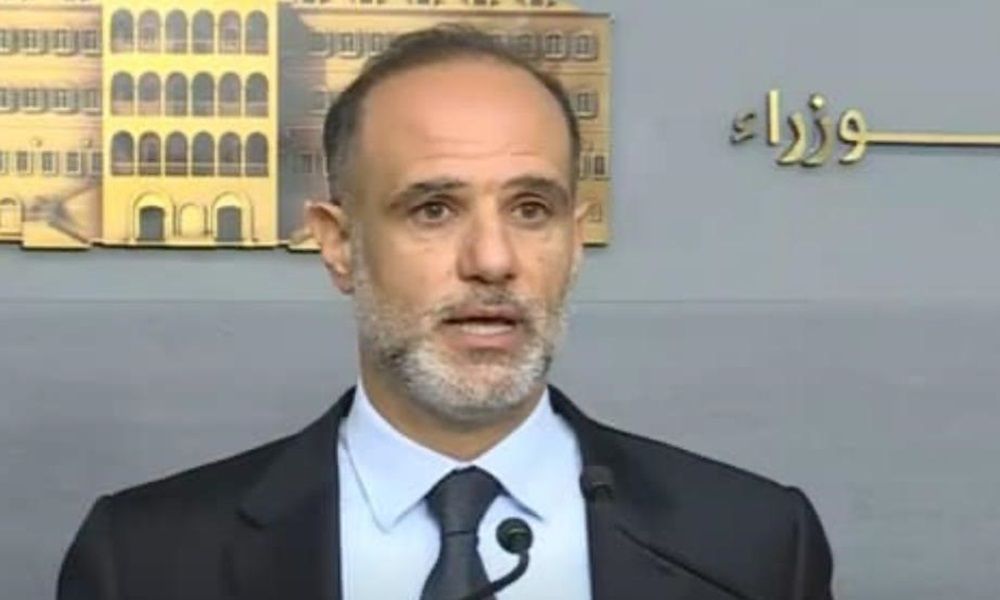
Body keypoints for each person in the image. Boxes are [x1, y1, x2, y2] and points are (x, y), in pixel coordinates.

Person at [58, 25, 833, 600]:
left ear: (574, 242)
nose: (492, 260)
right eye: (433, 210)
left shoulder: (754, 542)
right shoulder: (145, 560)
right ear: (339, 245)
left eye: (531, 209)